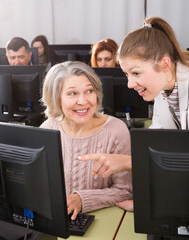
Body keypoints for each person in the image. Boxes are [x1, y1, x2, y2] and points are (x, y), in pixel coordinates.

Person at [79, 16, 189, 211]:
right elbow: (159, 147)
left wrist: (129, 162)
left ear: (164, 64)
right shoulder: (164, 92)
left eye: (136, 73)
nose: (129, 84)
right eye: (127, 75)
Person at [40, 61, 133, 220]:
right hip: (58, 221)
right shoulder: (48, 129)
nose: (83, 101)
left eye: (89, 91)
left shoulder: (116, 131)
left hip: (103, 220)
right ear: (56, 99)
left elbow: (125, 191)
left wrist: (82, 199)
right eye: (72, 93)